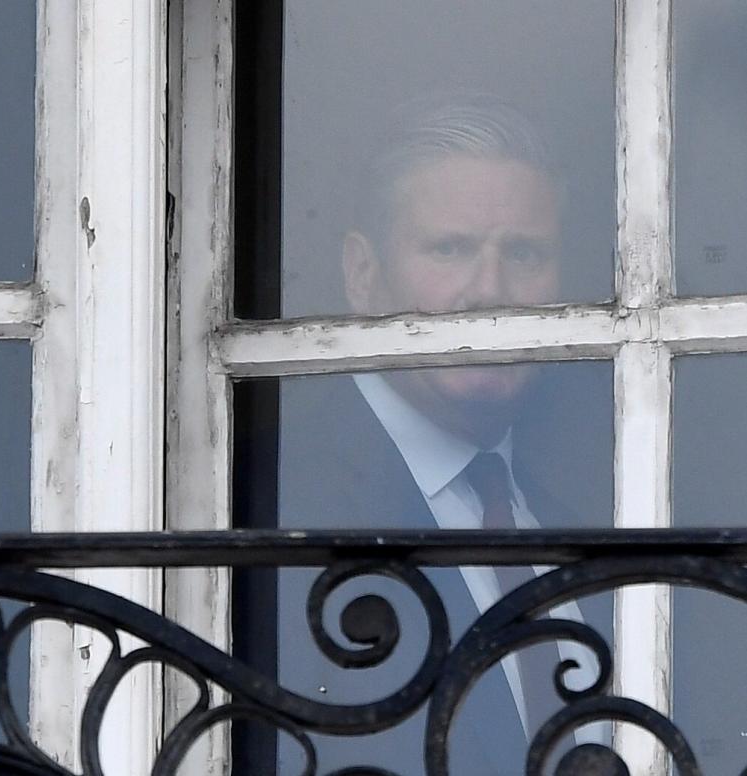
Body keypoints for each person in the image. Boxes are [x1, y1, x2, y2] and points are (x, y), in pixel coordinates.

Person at [274, 93, 611, 774]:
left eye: (523, 252)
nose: (487, 289)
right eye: (449, 248)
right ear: (363, 275)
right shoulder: (267, 497)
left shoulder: (581, 521)